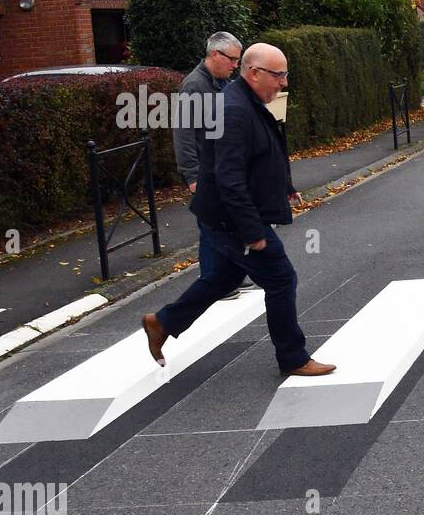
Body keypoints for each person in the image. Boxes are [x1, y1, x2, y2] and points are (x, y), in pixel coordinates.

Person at [142, 44, 335, 377]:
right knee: (281, 278)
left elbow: (262, 154)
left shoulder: (246, 101)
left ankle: (163, 322)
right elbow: (228, 178)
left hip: (224, 217)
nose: (283, 83)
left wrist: (284, 186)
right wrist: (252, 232)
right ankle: (293, 358)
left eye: (285, 74)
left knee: (222, 278)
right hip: (231, 220)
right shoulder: (234, 110)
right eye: (279, 75)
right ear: (254, 72)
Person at [177, 32, 248, 296]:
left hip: (222, 168)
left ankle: (228, 277)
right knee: (209, 227)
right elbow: (183, 133)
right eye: (231, 60)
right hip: (205, 172)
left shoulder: (221, 83)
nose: (234, 65)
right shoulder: (194, 86)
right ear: (215, 55)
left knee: (226, 223)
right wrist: (192, 176)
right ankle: (212, 280)